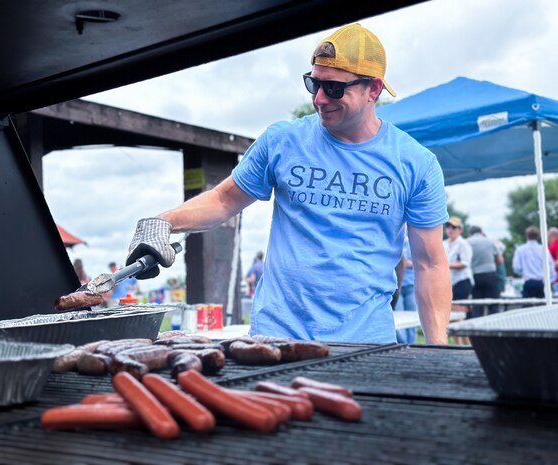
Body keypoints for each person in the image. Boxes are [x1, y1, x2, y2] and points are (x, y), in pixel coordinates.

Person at [124, 23, 451, 344]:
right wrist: (163, 222)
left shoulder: (415, 163)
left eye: (334, 88)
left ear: (374, 89)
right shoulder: (283, 141)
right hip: (276, 339)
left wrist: (438, 351)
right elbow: (224, 200)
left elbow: (430, 263)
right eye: (314, 84)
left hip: (364, 341)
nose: (321, 99)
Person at [467, 225, 503, 318]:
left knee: (477, 306)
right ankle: (495, 330)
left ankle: (476, 331)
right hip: (490, 275)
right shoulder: (490, 241)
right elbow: (500, 261)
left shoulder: (467, 242)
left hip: (475, 276)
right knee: (494, 305)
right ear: (481, 232)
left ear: (470, 233)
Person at [512, 226, 556, 298]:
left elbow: (516, 268)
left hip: (528, 283)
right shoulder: (543, 249)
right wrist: (550, 281)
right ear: (538, 236)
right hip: (541, 283)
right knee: (543, 308)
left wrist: (524, 273)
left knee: (527, 307)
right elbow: (551, 268)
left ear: (527, 236)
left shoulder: (520, 249)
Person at [443, 217, 474, 308]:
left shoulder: (464, 244)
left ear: (460, 229)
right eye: (448, 226)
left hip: (462, 281)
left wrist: (446, 265)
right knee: (450, 310)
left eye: (453, 227)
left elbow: (465, 263)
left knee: (459, 310)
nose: (450, 229)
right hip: (449, 282)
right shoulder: (443, 244)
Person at [394, 232, 417, 344]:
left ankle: (412, 344)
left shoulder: (412, 243)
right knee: (398, 318)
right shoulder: (393, 242)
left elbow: (421, 262)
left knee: (412, 317)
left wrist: (407, 263)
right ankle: (402, 344)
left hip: (410, 285)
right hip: (397, 286)